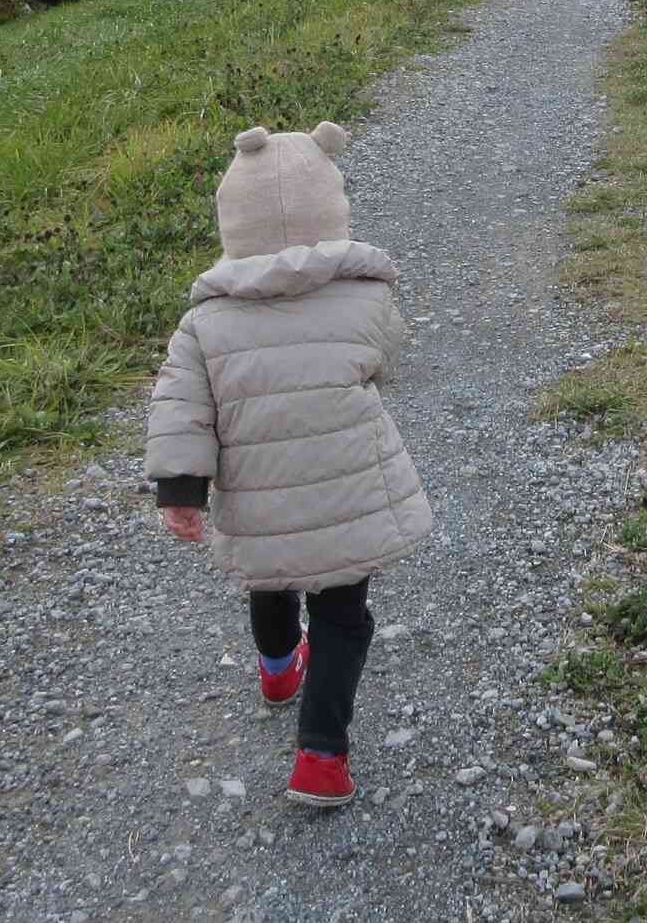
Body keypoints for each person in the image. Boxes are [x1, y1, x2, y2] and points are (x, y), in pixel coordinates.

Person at [147, 123, 434, 807]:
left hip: (259, 492)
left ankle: (277, 671)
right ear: (330, 213)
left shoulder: (205, 324)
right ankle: (321, 759)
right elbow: (387, 361)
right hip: (347, 488)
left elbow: (179, 406)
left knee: (269, 582)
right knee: (343, 615)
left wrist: (180, 490)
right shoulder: (366, 297)